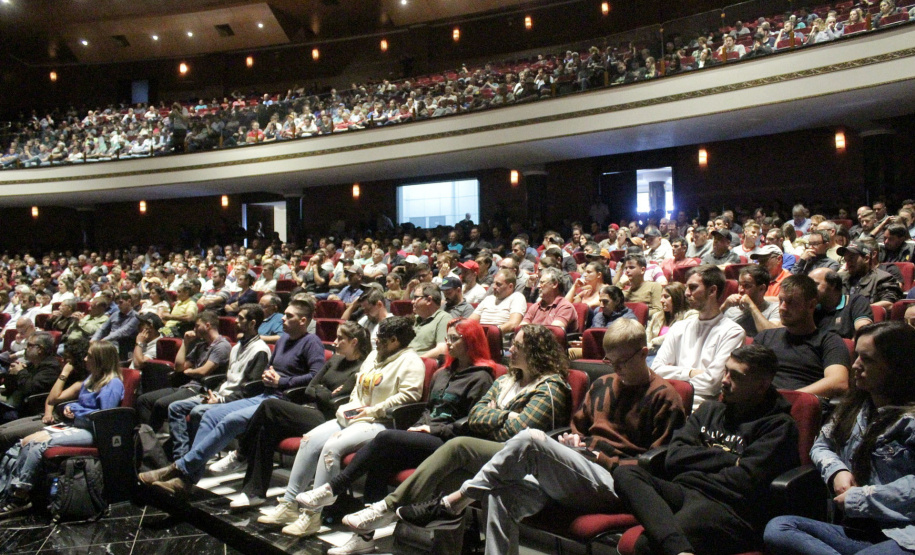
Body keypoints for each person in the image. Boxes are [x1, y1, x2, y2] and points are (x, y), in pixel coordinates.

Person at [396, 319, 687, 555]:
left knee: (532, 438)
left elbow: (656, 468)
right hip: (582, 469)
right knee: (501, 493)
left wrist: (604, 459)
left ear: (643, 351)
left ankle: (453, 503)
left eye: (623, 361)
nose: (616, 369)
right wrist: (573, 441)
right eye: (610, 361)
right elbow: (579, 427)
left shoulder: (665, 397)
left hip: (618, 483)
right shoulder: (605, 383)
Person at [338, 325, 571, 537]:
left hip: (520, 458)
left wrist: (491, 420)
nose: (511, 349)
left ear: (537, 351)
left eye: (518, 346)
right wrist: (503, 416)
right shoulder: (505, 381)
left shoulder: (550, 387)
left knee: (459, 445)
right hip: (486, 452)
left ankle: (387, 508)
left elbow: (517, 433)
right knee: (451, 486)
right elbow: (476, 416)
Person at [294, 319, 495, 554]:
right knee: (381, 460)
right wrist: (418, 426)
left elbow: (472, 423)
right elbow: (427, 410)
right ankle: (364, 538)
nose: (447, 343)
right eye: (447, 338)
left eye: (454, 338)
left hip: (449, 442)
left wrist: (432, 430)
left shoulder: (482, 378)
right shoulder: (442, 373)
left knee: (385, 438)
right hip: (425, 435)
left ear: (470, 341)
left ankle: (332, 489)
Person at [613, 344, 801, 555]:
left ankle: (677, 548)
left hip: (728, 508)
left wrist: (696, 461)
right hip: (683, 489)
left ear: (761, 385)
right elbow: (674, 456)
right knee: (625, 473)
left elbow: (743, 482)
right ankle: (680, 550)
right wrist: (729, 459)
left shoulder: (779, 426)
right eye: (725, 370)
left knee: (647, 546)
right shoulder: (710, 409)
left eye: (735, 376)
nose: (724, 380)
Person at [255, 316, 425, 537]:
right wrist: (351, 405)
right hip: (356, 415)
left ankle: (311, 515)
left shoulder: (412, 361)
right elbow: (358, 385)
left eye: (381, 339)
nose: (376, 343)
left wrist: (373, 410)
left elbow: (409, 396)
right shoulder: (374, 355)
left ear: (394, 340)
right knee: (309, 439)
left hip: (380, 422)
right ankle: (289, 504)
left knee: (332, 447)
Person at [138, 298, 326, 495]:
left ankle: (179, 471)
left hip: (283, 403)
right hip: (265, 394)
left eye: (289, 316)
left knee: (231, 420)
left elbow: (315, 376)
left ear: (303, 321)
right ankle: (184, 478)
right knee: (209, 415)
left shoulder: (312, 342)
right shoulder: (283, 340)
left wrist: (282, 382)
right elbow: (273, 367)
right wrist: (268, 374)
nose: (283, 320)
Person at [764, 321, 915, 555]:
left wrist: (862, 498)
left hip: (904, 534)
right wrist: (836, 471)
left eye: (868, 359)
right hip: (858, 531)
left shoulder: (910, 419)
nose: (855, 365)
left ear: (897, 366)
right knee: (778, 528)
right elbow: (821, 445)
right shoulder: (856, 407)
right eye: (856, 356)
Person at [0, 341, 124, 518]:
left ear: (100, 360)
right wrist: (73, 406)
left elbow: (105, 415)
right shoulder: (91, 379)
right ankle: (5, 489)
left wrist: (76, 410)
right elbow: (77, 403)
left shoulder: (113, 384)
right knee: (22, 442)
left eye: (89, 356)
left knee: (38, 444)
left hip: (91, 432)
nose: (85, 359)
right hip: (75, 425)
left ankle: (21, 496)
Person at [163, 304, 271, 463]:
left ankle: (188, 461)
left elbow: (250, 389)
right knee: (175, 407)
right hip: (220, 393)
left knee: (198, 412)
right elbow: (228, 378)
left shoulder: (260, 350)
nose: (235, 321)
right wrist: (214, 393)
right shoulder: (237, 347)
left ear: (252, 323)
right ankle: (181, 457)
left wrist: (220, 400)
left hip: (234, 400)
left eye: (241, 318)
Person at [652, 265, 746, 411]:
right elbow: (656, 370)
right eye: (686, 288)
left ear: (712, 291)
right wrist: (691, 372)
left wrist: (673, 373)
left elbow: (712, 385)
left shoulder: (733, 332)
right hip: (665, 399)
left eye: (693, 287)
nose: (686, 293)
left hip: (701, 408)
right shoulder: (679, 327)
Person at [755, 275, 850, 400]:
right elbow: (743, 368)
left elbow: (838, 382)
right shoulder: (765, 336)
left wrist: (786, 399)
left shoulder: (829, 341)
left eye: (791, 302)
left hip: (800, 407)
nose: (782, 307)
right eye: (781, 300)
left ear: (811, 305)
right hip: (759, 403)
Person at [135, 310, 231, 432]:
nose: (194, 329)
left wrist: (188, 372)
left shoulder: (222, 345)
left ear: (207, 325)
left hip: (201, 389)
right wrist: (185, 343)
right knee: (143, 400)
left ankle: (150, 440)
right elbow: (179, 367)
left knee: (160, 404)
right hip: (186, 386)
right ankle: (147, 438)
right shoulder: (200, 345)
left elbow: (203, 372)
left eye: (197, 326)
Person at [0, 338, 89, 454]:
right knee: (2, 430)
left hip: (60, 419)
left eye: (67, 358)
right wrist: (48, 412)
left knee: (3, 434)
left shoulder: (79, 381)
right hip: (48, 413)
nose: (62, 361)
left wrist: (64, 373)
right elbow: (50, 400)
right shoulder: (66, 373)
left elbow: (51, 397)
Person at [1, 331, 61, 423]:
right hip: (18, 406)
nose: (25, 348)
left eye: (29, 345)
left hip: (32, 412)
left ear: (40, 349)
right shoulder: (31, 365)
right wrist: (12, 374)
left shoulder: (51, 368)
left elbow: (29, 389)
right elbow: (9, 389)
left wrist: (21, 372)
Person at [839, 238, 903, 312]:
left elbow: (889, 303)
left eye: (852, 258)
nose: (848, 263)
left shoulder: (883, 278)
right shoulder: (840, 278)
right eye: (846, 259)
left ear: (866, 259)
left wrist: (855, 310)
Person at [809, 268, 873, 339]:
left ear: (833, 284)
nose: (810, 289)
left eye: (815, 284)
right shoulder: (812, 308)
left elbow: (863, 333)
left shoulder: (855, 301)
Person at [721, 265, 781, 337]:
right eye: (740, 285)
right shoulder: (731, 306)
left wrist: (751, 306)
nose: (741, 290)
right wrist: (724, 306)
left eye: (747, 286)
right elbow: (711, 328)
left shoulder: (774, 309)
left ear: (761, 289)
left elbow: (770, 336)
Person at [646, 282, 698, 356]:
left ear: (677, 298)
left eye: (666, 297)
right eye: (661, 297)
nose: (661, 300)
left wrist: (654, 342)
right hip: (652, 353)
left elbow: (676, 334)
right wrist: (647, 346)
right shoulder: (657, 316)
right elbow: (647, 335)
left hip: (676, 355)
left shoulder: (691, 315)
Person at [522, 267, 578, 332]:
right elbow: (521, 328)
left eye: (542, 282)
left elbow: (553, 333)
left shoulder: (565, 307)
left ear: (554, 284)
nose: (538, 286)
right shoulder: (535, 306)